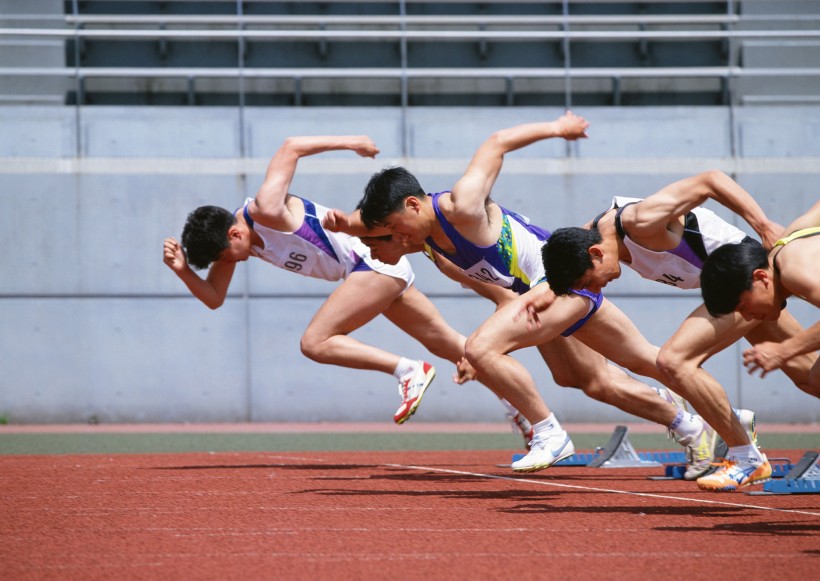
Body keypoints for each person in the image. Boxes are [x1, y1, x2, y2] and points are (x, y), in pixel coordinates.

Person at [327, 113, 729, 478]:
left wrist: (559, 128)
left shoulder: (462, 205)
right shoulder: (430, 245)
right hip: (541, 296)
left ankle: (548, 434)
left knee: (481, 348)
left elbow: (497, 141)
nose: (397, 239)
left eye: (396, 229)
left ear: (413, 205)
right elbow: (494, 288)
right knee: (596, 378)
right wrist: (343, 223)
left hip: (560, 282)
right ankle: (700, 427)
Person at [162, 134, 532, 440]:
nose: (233, 263)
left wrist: (351, 142)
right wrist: (182, 269)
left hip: (369, 262)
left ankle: (406, 370)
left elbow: (291, 146)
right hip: (372, 274)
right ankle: (524, 415)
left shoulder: (265, 209)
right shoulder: (235, 245)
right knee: (457, 348)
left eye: (229, 255)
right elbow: (213, 298)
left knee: (315, 342)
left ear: (234, 232)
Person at [541, 170, 816, 491]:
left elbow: (710, 180)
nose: (597, 288)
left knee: (675, 361)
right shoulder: (590, 237)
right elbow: (560, 272)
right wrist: (538, 297)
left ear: (596, 254)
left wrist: (763, 224)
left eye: (591, 282)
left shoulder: (641, 221)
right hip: (730, 291)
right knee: (808, 375)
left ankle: (745, 455)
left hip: (746, 279)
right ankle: (735, 428)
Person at [700, 199, 819, 391]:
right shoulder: (789, 240)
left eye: (743, 307)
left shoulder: (794, 271)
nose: (747, 317)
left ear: (760, 277)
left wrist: (784, 350)